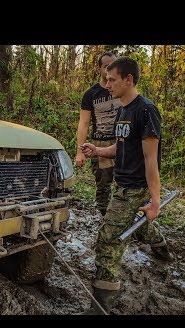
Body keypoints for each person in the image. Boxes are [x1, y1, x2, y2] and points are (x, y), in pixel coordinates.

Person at [81, 57, 174, 314]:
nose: (107, 84)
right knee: (138, 227)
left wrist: (155, 202)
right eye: (107, 79)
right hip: (120, 186)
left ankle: (100, 307)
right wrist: (97, 149)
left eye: (112, 80)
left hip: (134, 188)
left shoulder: (145, 110)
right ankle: (162, 248)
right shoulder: (122, 109)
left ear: (128, 79)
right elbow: (120, 147)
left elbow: (150, 159)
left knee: (108, 241)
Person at [76, 52, 121, 216]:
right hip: (100, 143)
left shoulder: (121, 89)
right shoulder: (91, 94)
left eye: (113, 66)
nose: (110, 70)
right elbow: (84, 123)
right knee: (103, 183)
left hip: (121, 141)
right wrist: (79, 152)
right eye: (106, 66)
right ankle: (104, 215)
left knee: (125, 182)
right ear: (99, 68)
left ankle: (122, 215)